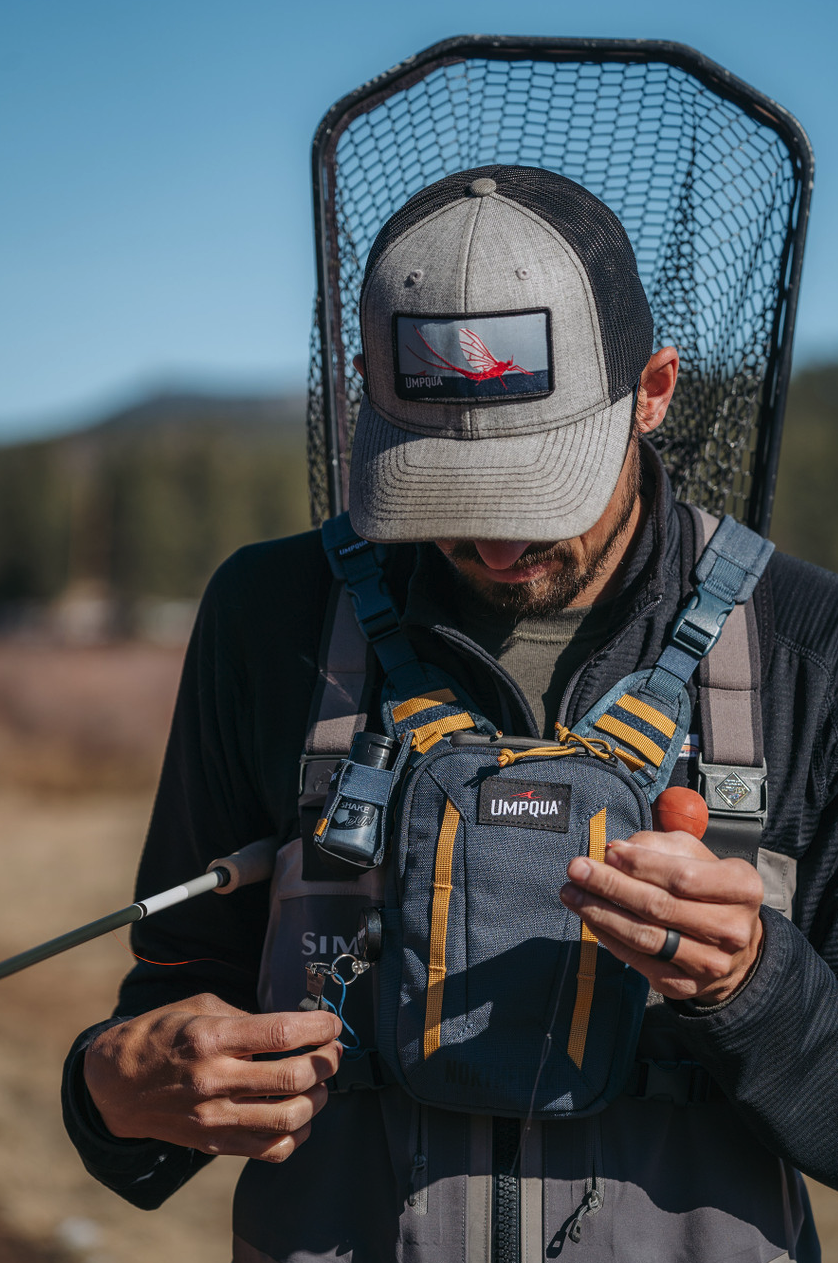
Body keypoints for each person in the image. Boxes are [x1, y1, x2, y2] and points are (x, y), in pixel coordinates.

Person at [63, 166, 838, 1262]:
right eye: (441, 488)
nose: (494, 543)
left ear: (655, 390)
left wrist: (753, 984)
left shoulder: (807, 647)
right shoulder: (269, 615)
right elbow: (173, 995)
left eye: (537, 486)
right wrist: (110, 1091)